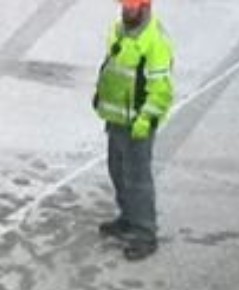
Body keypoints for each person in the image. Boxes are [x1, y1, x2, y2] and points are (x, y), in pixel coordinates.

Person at [93, 0, 175, 261]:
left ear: (146, 7)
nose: (127, 10)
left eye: (132, 7)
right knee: (117, 169)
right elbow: (112, 66)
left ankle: (145, 234)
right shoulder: (118, 29)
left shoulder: (155, 40)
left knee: (138, 179)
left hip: (137, 122)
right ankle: (128, 217)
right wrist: (101, 96)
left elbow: (161, 89)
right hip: (116, 117)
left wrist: (146, 120)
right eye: (125, 6)